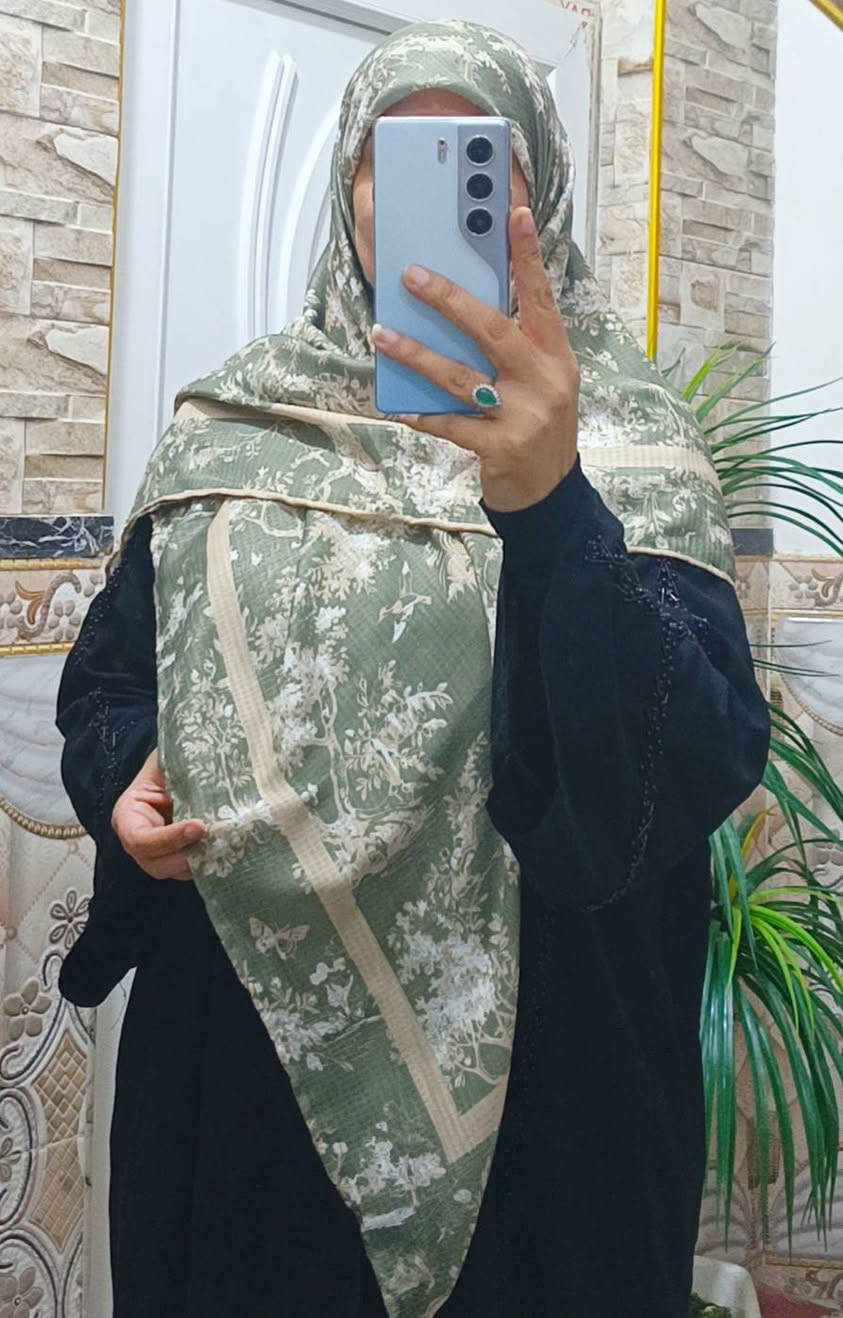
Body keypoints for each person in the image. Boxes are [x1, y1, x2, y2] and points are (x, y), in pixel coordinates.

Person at [55, 18, 771, 1318]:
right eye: (392, 156)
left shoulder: (635, 446)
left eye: (477, 156)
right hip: (247, 1081)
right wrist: (125, 777)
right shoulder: (232, 422)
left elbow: (685, 764)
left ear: (537, 197)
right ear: (349, 193)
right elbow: (113, 682)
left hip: (543, 1117)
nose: (431, 189)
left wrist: (553, 503)